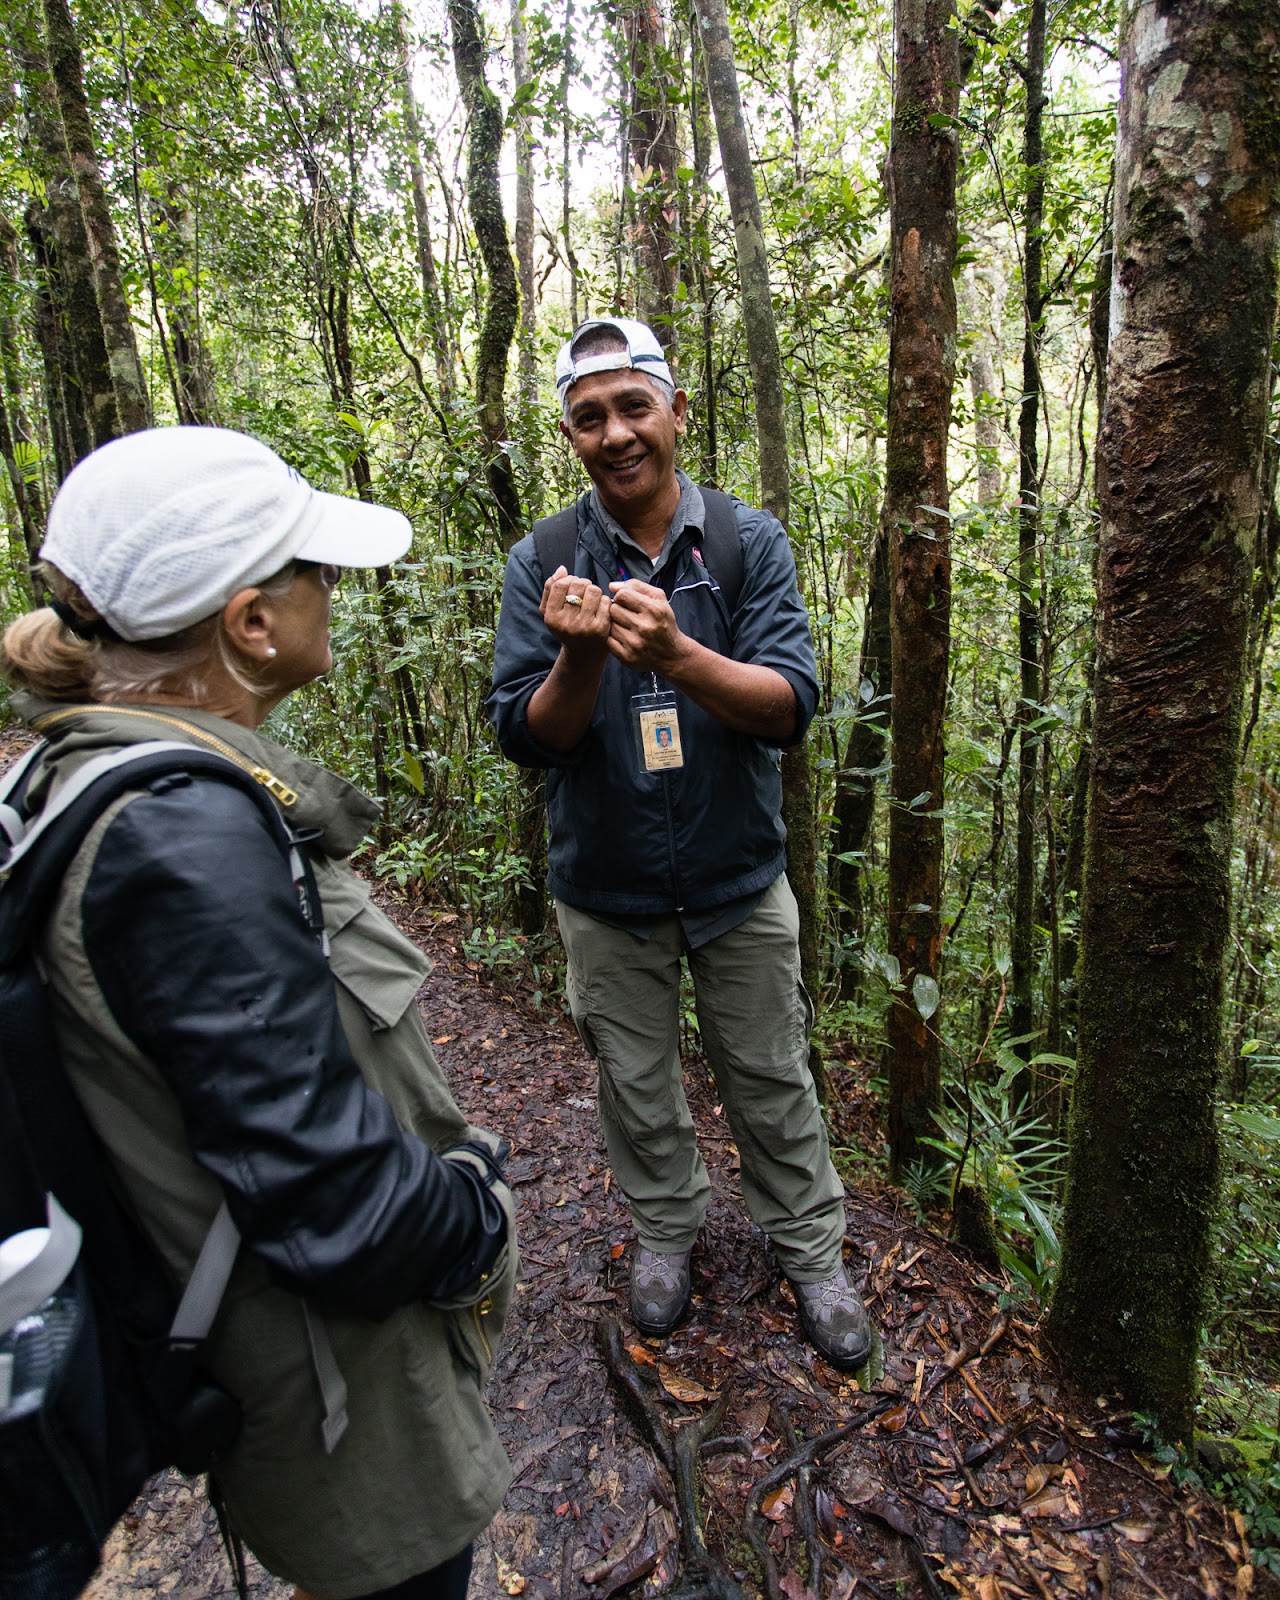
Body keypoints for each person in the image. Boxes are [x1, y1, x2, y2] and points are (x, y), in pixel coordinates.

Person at [1, 427, 517, 1600]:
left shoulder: (87, 772)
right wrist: (473, 1212)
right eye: (314, 569)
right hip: (333, 1380)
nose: (331, 590)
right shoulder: (180, 835)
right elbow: (336, 1202)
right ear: (250, 623)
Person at [486, 317, 869, 1369]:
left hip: (737, 877)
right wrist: (578, 657)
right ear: (571, 435)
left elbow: (789, 704)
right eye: (589, 418)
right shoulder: (543, 561)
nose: (614, 434)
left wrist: (675, 653)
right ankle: (665, 1232)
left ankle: (809, 1249)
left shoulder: (745, 542)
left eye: (632, 407)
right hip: (606, 888)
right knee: (634, 1082)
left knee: (772, 1073)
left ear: (675, 412)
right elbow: (526, 736)